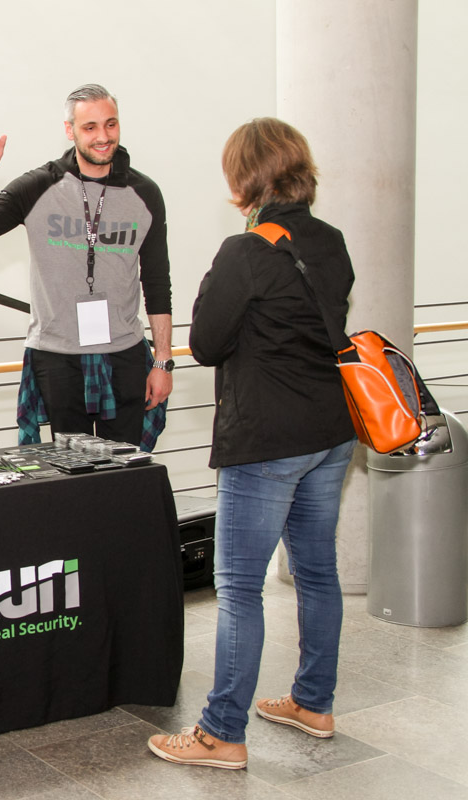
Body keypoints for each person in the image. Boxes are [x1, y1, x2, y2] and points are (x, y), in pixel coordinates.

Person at [147, 117, 358, 770]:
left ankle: (221, 733)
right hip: (331, 432)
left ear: (244, 178)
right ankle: (313, 703)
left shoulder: (244, 251)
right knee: (317, 571)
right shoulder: (330, 240)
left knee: (239, 588)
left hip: (266, 439)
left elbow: (207, 343)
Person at [0, 84, 173, 447]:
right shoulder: (40, 185)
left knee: (126, 468)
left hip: (124, 353)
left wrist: (163, 361)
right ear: (70, 131)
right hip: (57, 356)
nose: (103, 136)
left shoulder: (145, 194)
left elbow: (157, 281)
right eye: (90, 127)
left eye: (111, 124)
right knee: (70, 469)